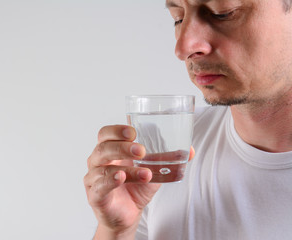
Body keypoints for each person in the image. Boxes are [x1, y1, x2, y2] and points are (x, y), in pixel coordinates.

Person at [84, 0, 292, 239]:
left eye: (222, 13)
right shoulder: (168, 156)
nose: (182, 48)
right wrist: (116, 230)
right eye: (178, 18)